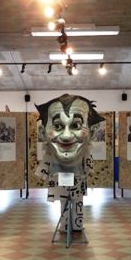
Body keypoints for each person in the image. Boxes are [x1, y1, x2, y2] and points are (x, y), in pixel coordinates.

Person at [35, 94, 105, 231]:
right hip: (60, 173)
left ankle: (77, 224)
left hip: (78, 175)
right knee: (64, 198)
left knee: (77, 198)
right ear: (43, 133)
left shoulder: (84, 152)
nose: (66, 136)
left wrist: (88, 169)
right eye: (57, 126)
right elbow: (45, 165)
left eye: (76, 125)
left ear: (92, 133)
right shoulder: (52, 154)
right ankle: (65, 224)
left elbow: (88, 164)